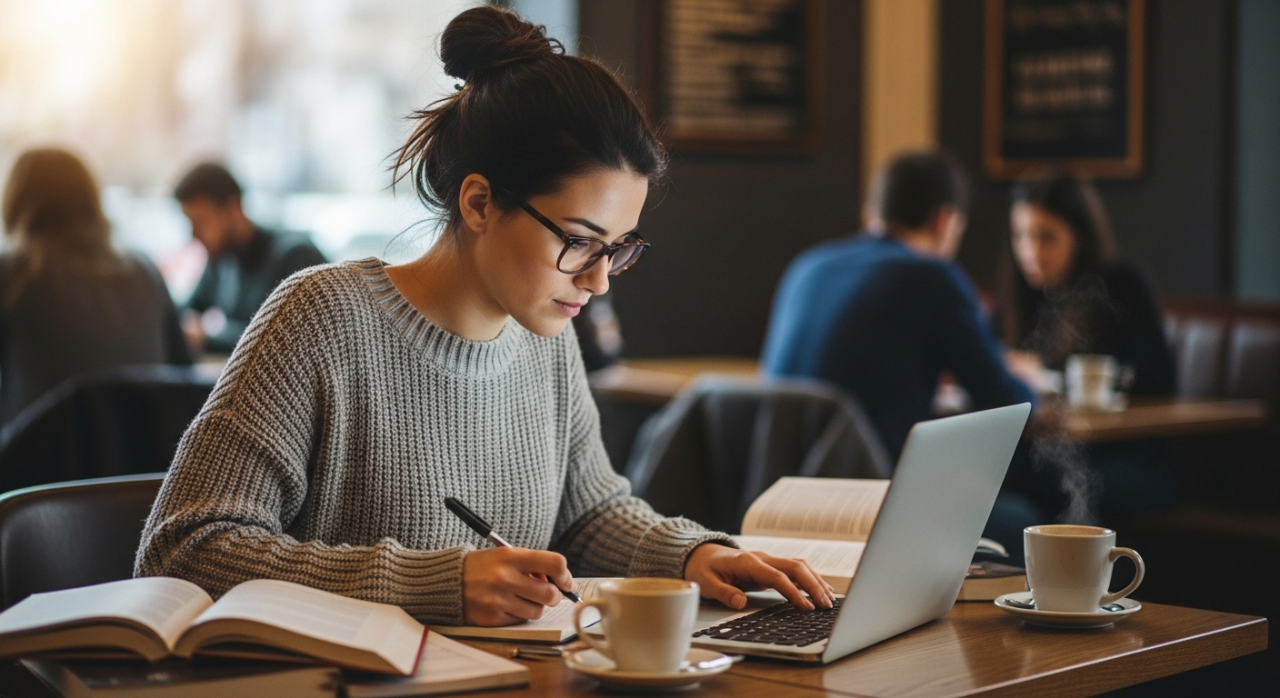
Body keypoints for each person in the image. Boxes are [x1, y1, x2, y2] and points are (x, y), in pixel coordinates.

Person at [136, 6, 832, 628]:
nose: (597, 281)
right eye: (579, 241)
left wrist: (693, 554)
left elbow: (587, 515)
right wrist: (434, 582)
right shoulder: (319, 318)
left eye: (617, 250)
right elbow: (182, 549)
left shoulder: (544, 339)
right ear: (478, 204)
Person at [759, 151, 1040, 560]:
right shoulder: (931, 275)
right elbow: (1006, 401)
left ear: (871, 212)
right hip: (869, 506)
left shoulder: (808, 266)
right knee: (1025, 519)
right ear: (945, 220)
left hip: (776, 502)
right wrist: (1028, 378)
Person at [996, 172, 1176, 524]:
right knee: (1000, 473)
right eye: (1021, 237)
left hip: (1123, 457)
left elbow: (1157, 378)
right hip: (1047, 451)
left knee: (1017, 476)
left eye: (1046, 237)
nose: (1031, 252)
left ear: (1079, 236)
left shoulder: (1120, 286)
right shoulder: (1022, 295)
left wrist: (1051, 378)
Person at [0, 148, 191, 427]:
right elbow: (182, 376)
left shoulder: (14, 275)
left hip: (42, 465)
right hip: (148, 465)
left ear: (16, 202)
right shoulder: (144, 271)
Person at [174, 163, 327, 355]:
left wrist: (207, 337)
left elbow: (284, 341)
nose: (194, 235)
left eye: (201, 223)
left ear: (234, 207)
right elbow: (185, 311)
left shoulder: (295, 257)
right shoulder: (221, 261)